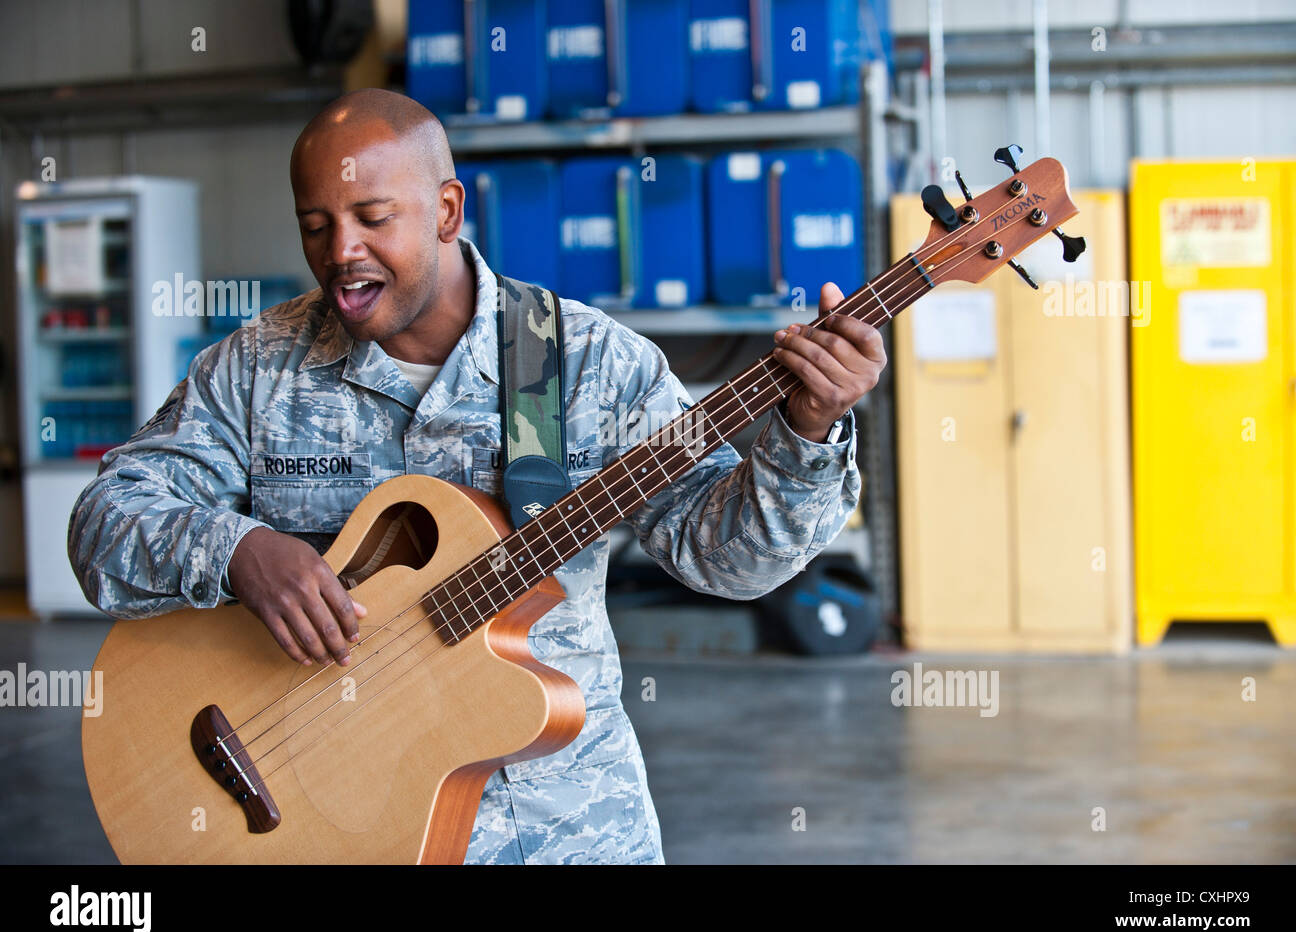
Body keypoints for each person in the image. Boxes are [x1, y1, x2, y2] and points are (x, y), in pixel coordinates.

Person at [68, 89, 886, 864]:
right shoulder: (257, 368)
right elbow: (105, 521)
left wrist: (805, 430)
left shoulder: (587, 363)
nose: (340, 253)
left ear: (448, 211)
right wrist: (238, 550)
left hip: (561, 824)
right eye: (315, 225)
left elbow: (731, 559)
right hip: (323, 817)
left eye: (372, 218)